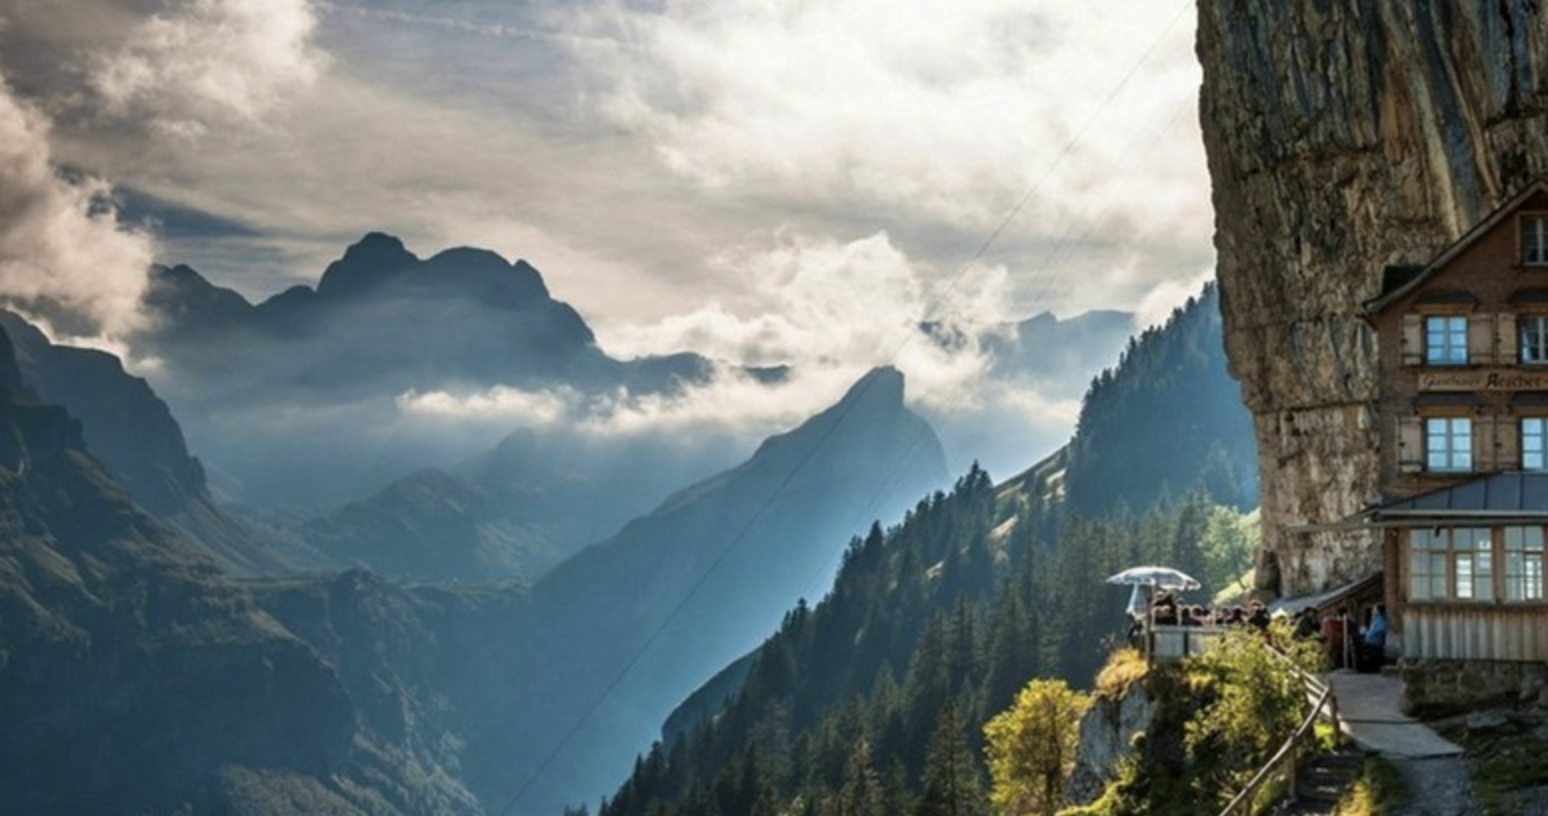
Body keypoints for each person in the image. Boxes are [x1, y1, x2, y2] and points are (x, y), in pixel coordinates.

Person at [1359, 604, 1388, 672]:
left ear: (1378, 611)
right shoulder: (1375, 620)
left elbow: (1379, 631)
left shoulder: (1381, 620)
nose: (1372, 611)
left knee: (1357, 644)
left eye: (1374, 609)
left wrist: (1366, 633)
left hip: (1374, 644)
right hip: (1371, 642)